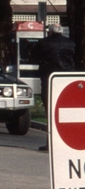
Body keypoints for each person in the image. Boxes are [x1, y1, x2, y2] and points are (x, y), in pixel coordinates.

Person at [32, 23, 76, 151]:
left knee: (50, 110)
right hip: (65, 80)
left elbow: (34, 56)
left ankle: (50, 142)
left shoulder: (43, 43)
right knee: (65, 109)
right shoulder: (71, 43)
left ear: (50, 31)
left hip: (48, 79)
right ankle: (66, 140)